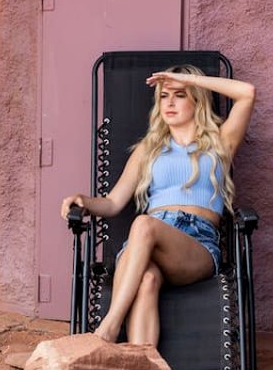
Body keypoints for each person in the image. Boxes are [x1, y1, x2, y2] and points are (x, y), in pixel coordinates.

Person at [61, 65, 256, 350]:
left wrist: (187, 78)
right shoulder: (148, 149)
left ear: (198, 100)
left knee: (143, 224)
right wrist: (83, 200)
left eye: (180, 95)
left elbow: (247, 93)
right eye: (164, 96)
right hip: (145, 243)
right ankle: (142, 366)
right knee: (148, 279)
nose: (170, 103)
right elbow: (113, 203)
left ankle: (108, 328)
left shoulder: (220, 143)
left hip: (196, 243)